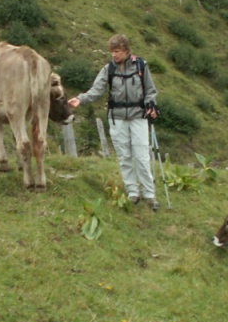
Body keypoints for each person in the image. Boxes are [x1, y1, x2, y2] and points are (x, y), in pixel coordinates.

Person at [68, 34, 160, 210]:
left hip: (138, 116)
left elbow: (150, 90)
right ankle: (133, 193)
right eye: (112, 51)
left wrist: (151, 104)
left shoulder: (141, 66)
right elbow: (97, 89)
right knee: (124, 156)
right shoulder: (108, 69)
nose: (114, 55)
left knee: (141, 155)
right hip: (117, 119)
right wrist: (80, 99)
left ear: (126, 50)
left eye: (117, 51)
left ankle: (149, 194)